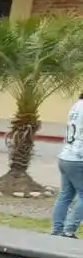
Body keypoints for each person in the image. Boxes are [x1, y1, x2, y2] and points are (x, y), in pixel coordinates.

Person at [51, 91, 83, 238]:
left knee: (65, 196)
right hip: (79, 158)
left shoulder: (75, 106)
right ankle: (69, 230)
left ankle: (57, 229)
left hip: (66, 156)